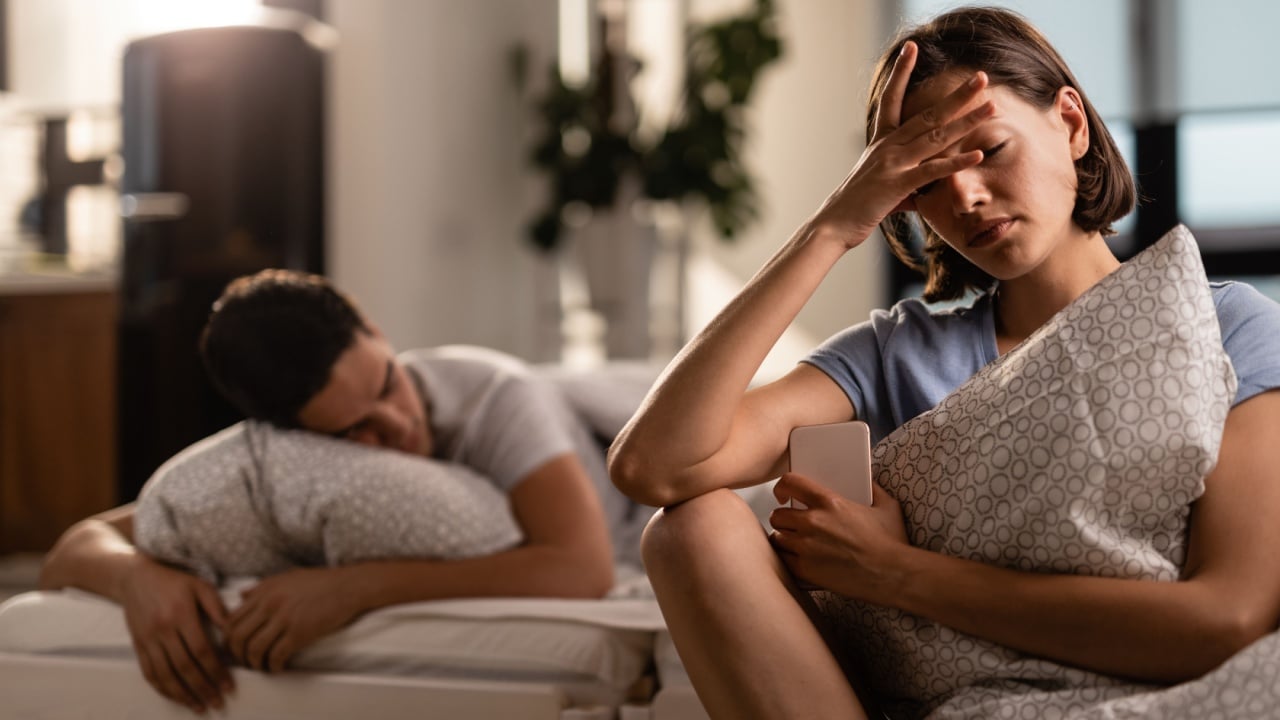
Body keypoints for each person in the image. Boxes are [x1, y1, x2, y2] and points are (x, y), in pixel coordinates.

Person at [609, 7, 1280, 720]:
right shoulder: (896, 355)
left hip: (1165, 693)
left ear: (1072, 123)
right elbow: (656, 467)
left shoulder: (1230, 328)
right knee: (692, 529)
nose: (964, 197)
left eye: (987, 150)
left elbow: (1228, 619)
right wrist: (836, 223)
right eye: (924, 183)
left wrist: (895, 573)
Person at [39, 269, 634, 714]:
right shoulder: (285, 460)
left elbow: (584, 568)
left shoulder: (495, 398)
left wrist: (353, 588)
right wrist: (138, 578)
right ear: (297, 439)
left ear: (374, 330)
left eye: (386, 382)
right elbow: (75, 547)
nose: (397, 425)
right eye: (356, 431)